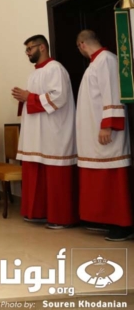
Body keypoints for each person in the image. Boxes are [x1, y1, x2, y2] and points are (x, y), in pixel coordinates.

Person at [12, 35, 78, 229]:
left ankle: (61, 217)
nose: (28, 53)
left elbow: (59, 97)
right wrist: (24, 98)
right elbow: (36, 98)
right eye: (26, 50)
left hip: (54, 132)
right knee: (38, 173)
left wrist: (29, 97)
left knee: (55, 175)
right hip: (37, 132)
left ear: (42, 47)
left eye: (30, 49)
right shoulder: (34, 74)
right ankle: (40, 212)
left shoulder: (55, 69)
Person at [75, 30, 133, 241]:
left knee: (113, 178)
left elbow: (112, 92)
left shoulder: (106, 60)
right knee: (100, 177)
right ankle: (108, 220)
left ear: (81, 44)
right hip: (94, 132)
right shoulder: (96, 63)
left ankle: (123, 224)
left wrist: (108, 124)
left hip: (106, 132)